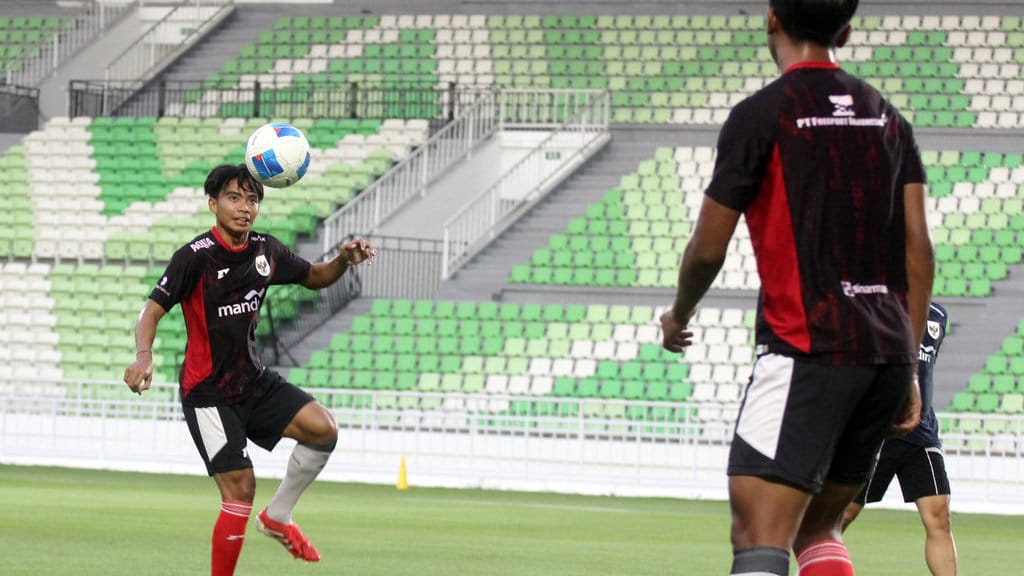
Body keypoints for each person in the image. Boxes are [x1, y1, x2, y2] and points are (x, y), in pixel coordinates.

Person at [658, 1, 935, 575]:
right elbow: (918, 250)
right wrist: (907, 364)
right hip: (885, 353)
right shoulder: (887, 118)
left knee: (759, 530)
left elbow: (708, 246)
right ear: (847, 31)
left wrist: (678, 313)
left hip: (807, 348)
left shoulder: (762, 115)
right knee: (819, 527)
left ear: (771, 20)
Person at [123, 163, 376, 576]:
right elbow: (152, 309)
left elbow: (313, 276)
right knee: (241, 487)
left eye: (252, 199)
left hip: (252, 382)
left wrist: (343, 261)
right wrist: (143, 355)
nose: (245, 207)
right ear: (213, 203)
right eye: (234, 198)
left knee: (323, 429)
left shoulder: (265, 250)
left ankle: (278, 517)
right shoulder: (194, 258)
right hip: (208, 393)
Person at [842, 302, 957, 575]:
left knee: (940, 516)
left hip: (922, 435)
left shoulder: (938, 316)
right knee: (843, 515)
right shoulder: (875, 308)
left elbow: (923, 374)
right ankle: (811, 567)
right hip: (879, 431)